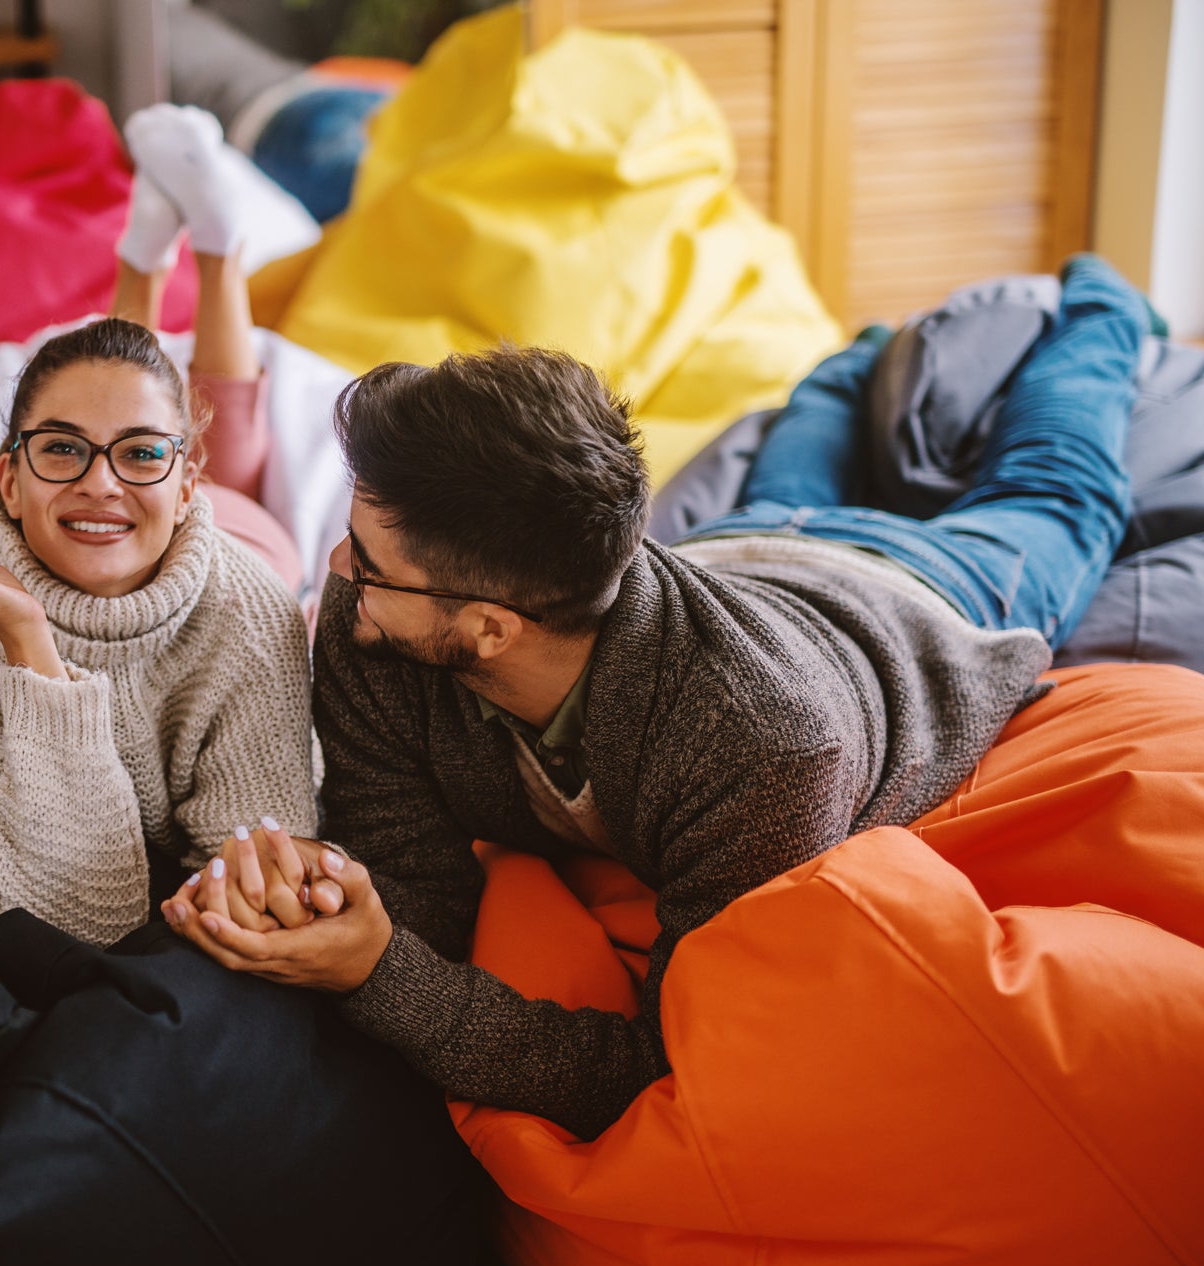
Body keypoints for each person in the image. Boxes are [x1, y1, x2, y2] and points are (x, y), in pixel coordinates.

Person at [159, 253, 1151, 1139]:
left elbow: (660, 1062)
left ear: (490, 626)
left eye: (369, 561)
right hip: (736, 548)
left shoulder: (763, 748)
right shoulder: (381, 614)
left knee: (1057, 480)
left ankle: (1101, 295)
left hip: (900, 592)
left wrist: (381, 974)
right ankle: (861, 354)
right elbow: (407, 873)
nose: (337, 569)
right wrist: (340, 906)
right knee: (813, 414)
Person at [0, 117, 323, 946]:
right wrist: (28, 641)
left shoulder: (251, 612)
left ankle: (208, 252)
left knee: (206, 436)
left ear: (183, 482)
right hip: (151, 516)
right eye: (58, 450)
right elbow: (71, 922)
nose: (96, 477)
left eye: (139, 457)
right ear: (8, 480)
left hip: (243, 534)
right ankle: (163, 253)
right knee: (117, 396)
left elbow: (257, 879)